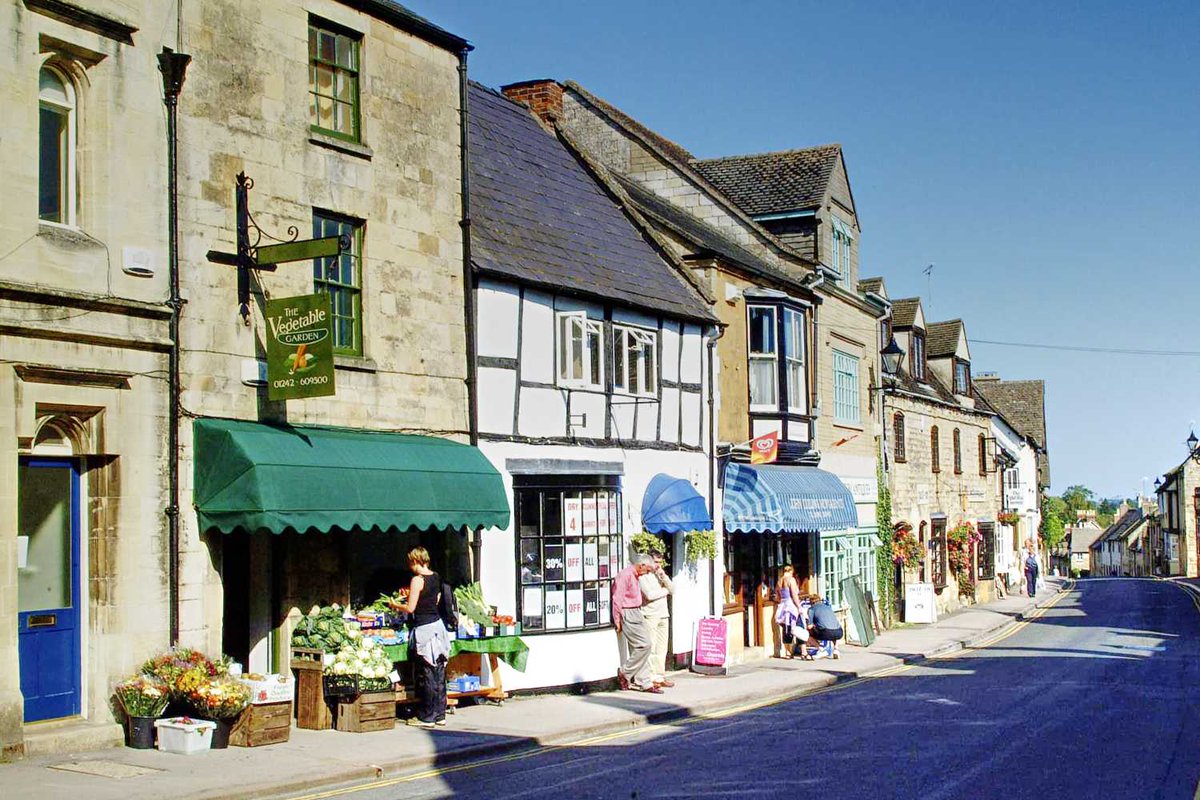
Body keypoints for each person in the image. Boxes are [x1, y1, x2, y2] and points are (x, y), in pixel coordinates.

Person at [394, 547, 449, 728]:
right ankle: (440, 714)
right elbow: (436, 598)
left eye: (410, 562)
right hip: (438, 626)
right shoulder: (436, 576)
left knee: (426, 673)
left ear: (416, 561)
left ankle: (427, 717)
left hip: (424, 628)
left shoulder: (417, 580)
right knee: (439, 670)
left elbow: (410, 608)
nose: (409, 566)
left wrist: (394, 605)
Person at [611, 553, 661, 693]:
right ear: (642, 565)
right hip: (629, 613)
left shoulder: (635, 575)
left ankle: (644, 682)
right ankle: (625, 673)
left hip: (637, 612)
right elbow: (617, 599)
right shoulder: (625, 575)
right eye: (647, 570)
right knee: (644, 645)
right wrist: (617, 620)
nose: (646, 573)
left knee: (641, 647)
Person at [639, 552, 675, 687]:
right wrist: (665, 591)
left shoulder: (660, 575)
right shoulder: (644, 576)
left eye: (660, 562)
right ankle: (650, 677)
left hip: (663, 613)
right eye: (656, 562)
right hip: (650, 614)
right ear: (649, 562)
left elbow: (673, 588)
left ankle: (660, 676)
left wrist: (663, 576)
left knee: (662, 648)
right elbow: (649, 595)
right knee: (651, 647)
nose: (658, 565)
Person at [774, 566, 802, 659]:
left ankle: (787, 652)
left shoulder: (779, 581)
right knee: (796, 626)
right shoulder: (791, 580)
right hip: (790, 605)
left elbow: (777, 596)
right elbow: (794, 594)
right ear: (791, 571)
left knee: (786, 628)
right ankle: (800, 650)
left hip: (782, 605)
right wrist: (799, 606)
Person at [806, 594, 843, 660]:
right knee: (833, 630)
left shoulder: (811, 609)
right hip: (839, 632)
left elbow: (809, 626)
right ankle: (836, 649)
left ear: (811, 602)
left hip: (825, 632)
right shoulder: (828, 607)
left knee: (806, 634)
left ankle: (821, 649)